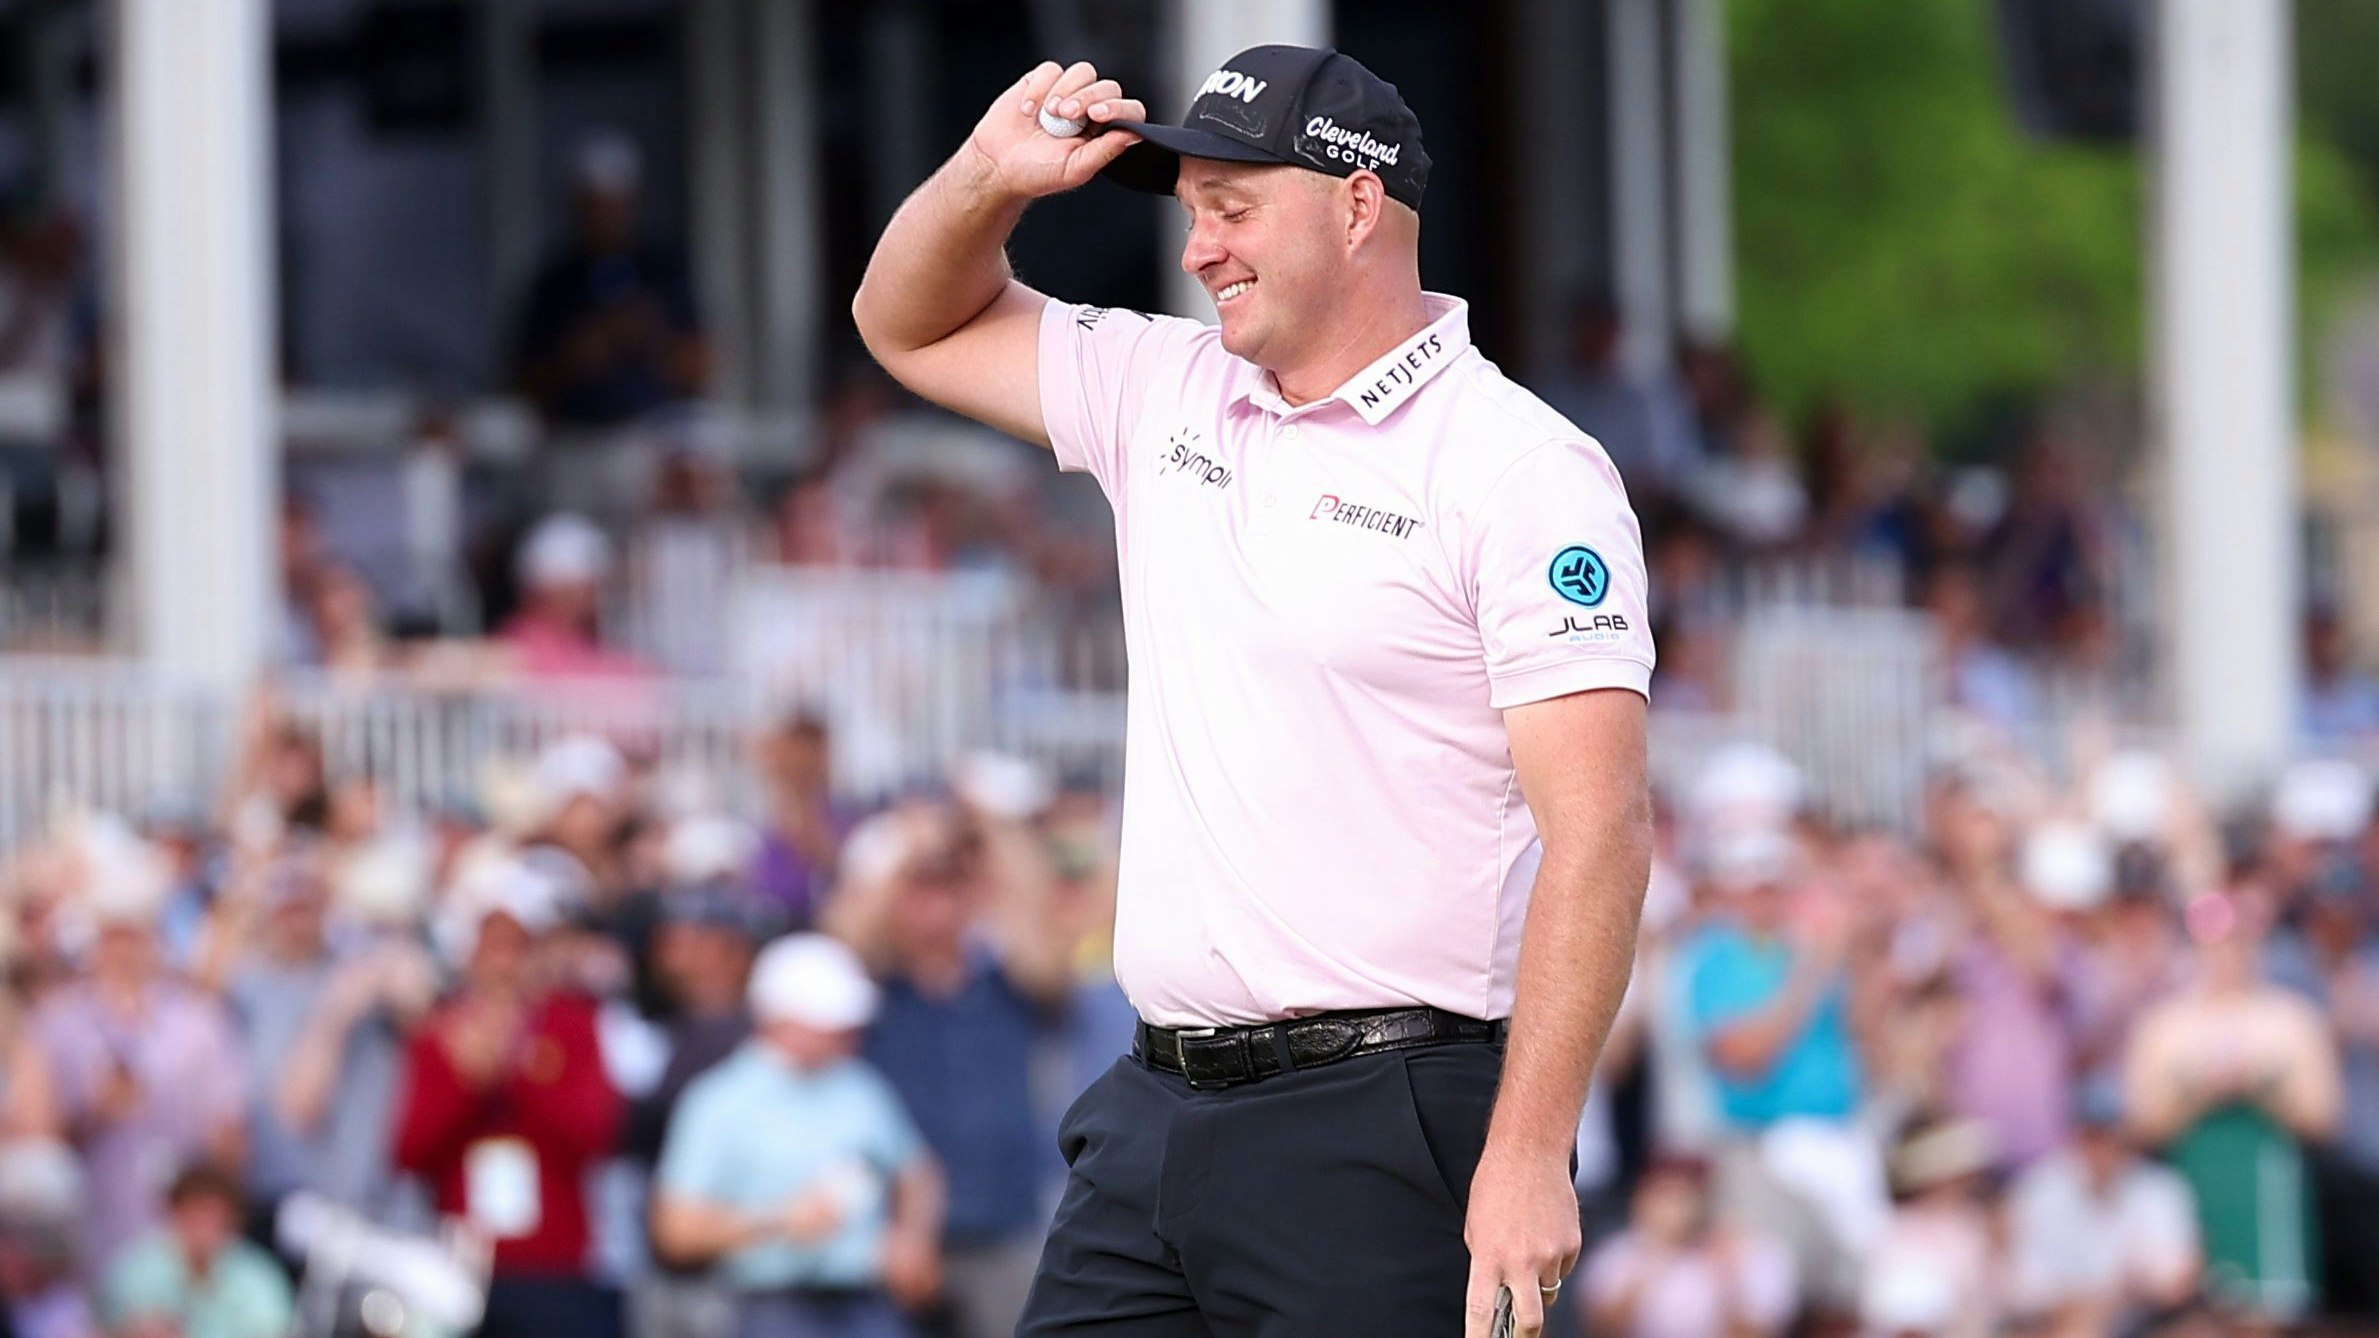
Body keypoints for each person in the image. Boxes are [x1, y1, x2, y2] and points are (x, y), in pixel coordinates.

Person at [853, 47, 1654, 1338]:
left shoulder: (1520, 470)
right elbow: (907, 324)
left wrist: (1526, 1153)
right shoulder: (1165, 384)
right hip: (1152, 1105)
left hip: (1390, 1119)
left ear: (1355, 206)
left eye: (1231, 209)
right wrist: (986, 178)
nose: (1198, 251)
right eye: (1192, 213)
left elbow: (1601, 830)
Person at [651, 934, 946, 1338]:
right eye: (830, 1023)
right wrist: (778, 1221)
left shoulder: (860, 1086)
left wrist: (912, 1238)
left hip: (869, 1302)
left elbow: (917, 1172)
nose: (848, 1032)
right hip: (769, 1308)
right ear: (782, 1020)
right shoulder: (718, 1102)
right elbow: (675, 1230)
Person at [393, 856, 624, 1338]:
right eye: (490, 946)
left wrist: (516, 1072)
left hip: (555, 1263)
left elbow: (594, 1134)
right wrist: (465, 1083)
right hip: (463, 1259)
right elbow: (410, 1149)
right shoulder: (440, 1033)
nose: (503, 961)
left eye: (516, 946)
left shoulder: (571, 1024)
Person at [2122, 890, 2340, 1324]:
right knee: (2196, 1315)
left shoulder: (2292, 1019)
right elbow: (2142, 1127)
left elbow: (2323, 1119)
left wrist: (2258, 1089)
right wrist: (2201, 1094)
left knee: (2267, 1314)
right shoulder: (2164, 1025)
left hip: (2268, 1190)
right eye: (2214, 943)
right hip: (2191, 1189)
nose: (2225, 955)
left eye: (2236, 941)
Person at [2005, 1084, 2201, 1336]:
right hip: (2058, 1323)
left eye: (2110, 1135)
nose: (2102, 1149)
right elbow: (2023, 1288)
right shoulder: (2039, 1191)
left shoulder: (2159, 1189)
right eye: (2092, 1136)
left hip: (2146, 1321)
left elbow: (2176, 1281)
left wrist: (2122, 1295)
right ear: (2075, 1137)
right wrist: (2088, 1305)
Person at [1578, 1154, 1796, 1338]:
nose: (1678, 1206)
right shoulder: (1617, 1253)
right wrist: (1654, 1260)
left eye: (1687, 1194)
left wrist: (1728, 1280)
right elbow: (1602, 1329)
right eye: (1666, 1194)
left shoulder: (1750, 1251)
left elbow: (1760, 1332)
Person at [98, 1164, 293, 1338]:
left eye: (213, 1217)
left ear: (232, 1222)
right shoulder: (137, 1269)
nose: (203, 1228)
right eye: (194, 1215)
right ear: (173, 1213)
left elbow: (273, 1329)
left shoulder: (257, 1274)